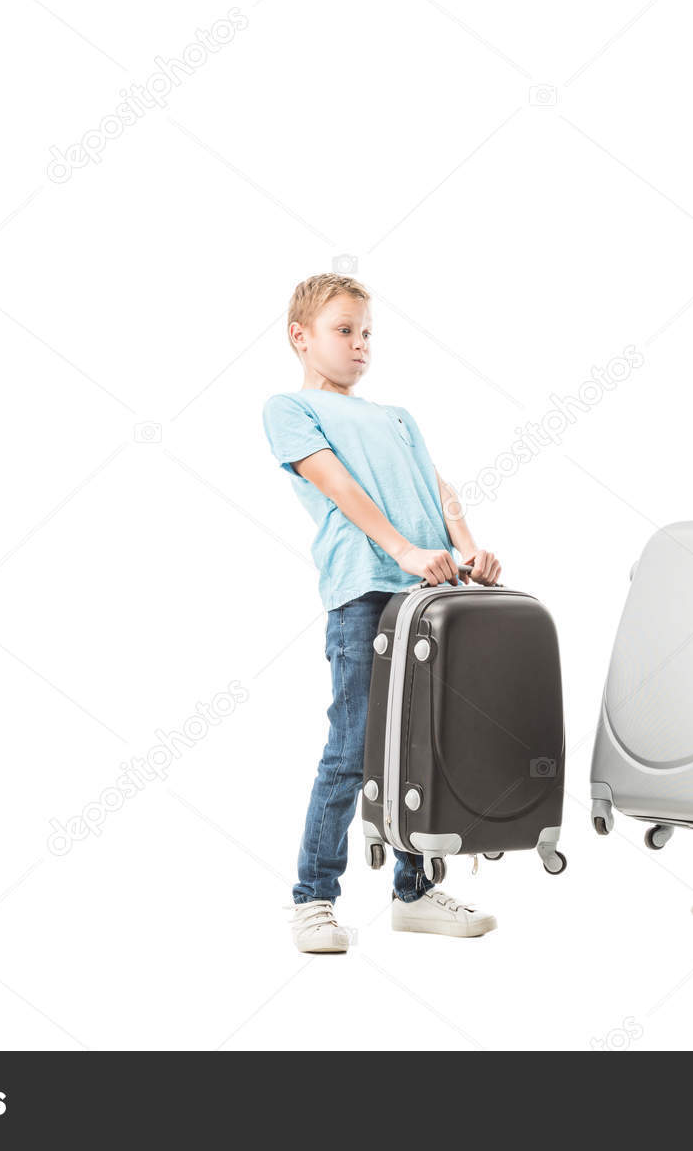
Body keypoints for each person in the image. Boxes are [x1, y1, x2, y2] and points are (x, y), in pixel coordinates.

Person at [262, 273, 502, 954]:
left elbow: (439, 486)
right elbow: (339, 487)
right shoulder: (289, 408)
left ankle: (414, 890)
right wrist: (402, 548)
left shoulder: (397, 417)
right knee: (354, 749)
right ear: (301, 337)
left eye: (366, 333)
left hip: (432, 596)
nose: (359, 345)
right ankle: (314, 897)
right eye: (344, 331)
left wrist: (468, 550)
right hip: (365, 591)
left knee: (427, 745)